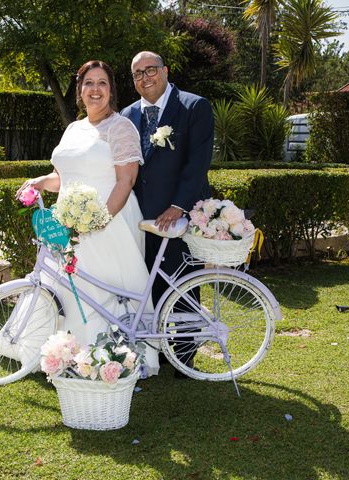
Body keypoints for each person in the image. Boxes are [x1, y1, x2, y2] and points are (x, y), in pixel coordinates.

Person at [17, 60, 160, 375]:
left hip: (110, 221)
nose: (95, 90)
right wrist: (40, 182)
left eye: (102, 83)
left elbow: (126, 181)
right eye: (88, 83)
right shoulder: (73, 128)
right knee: (67, 287)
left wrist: (100, 221)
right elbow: (62, 177)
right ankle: (65, 355)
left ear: (111, 90)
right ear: (80, 91)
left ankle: (109, 359)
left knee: (103, 290)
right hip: (67, 220)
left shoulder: (120, 127)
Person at [121, 51, 214, 376]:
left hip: (180, 214)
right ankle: (156, 349)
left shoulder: (194, 106)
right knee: (149, 281)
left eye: (150, 70)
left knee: (182, 283)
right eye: (137, 74)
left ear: (165, 71)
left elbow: (197, 164)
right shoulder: (127, 114)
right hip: (140, 217)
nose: (145, 78)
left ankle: (185, 354)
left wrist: (178, 206)